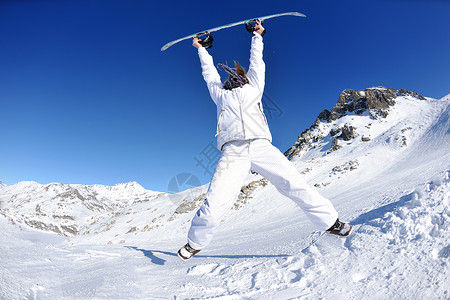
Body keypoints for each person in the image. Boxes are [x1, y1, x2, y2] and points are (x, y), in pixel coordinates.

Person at [178, 21, 352, 261]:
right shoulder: (220, 95)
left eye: (236, 77)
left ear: (243, 78)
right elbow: (209, 74)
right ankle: (195, 243)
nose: (232, 81)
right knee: (218, 198)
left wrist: (257, 36)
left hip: (261, 146)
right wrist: (201, 49)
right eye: (229, 79)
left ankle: (331, 222)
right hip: (233, 151)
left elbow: (256, 63)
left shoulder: (254, 87)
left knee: (293, 183)